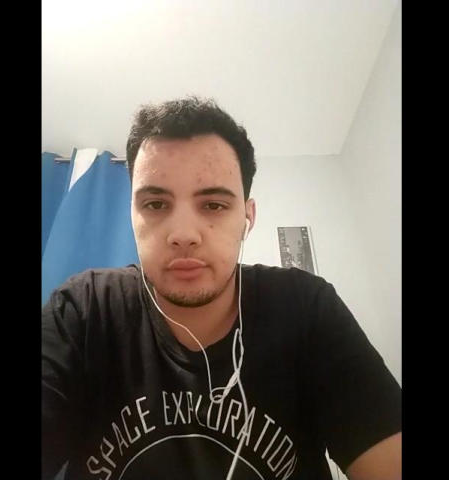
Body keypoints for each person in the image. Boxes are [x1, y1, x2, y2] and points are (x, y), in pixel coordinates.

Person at [42, 96, 402, 480]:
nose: (183, 234)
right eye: (156, 204)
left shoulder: (305, 307)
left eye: (213, 205)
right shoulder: (84, 309)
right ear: (132, 213)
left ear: (247, 217)